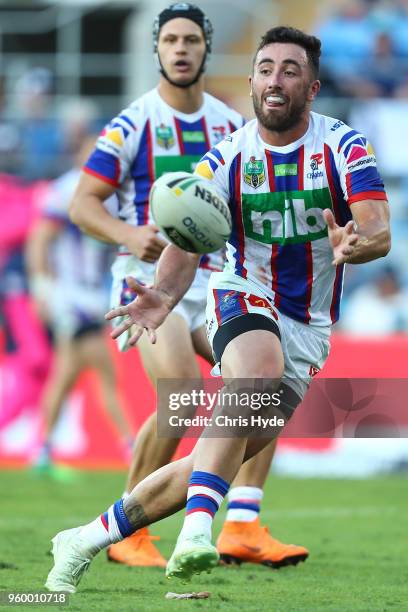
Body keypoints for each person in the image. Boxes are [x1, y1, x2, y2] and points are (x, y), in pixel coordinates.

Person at [44, 24, 391, 593]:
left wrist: (358, 243)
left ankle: (87, 537)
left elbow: (378, 228)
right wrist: (163, 294)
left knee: (212, 453)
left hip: (310, 322)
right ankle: (198, 532)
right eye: (265, 69)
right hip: (242, 294)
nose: (275, 80)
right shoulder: (225, 156)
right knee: (249, 373)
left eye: (290, 70)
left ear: (312, 87)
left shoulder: (344, 147)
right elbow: (185, 238)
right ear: (251, 80)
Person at [69, 3, 307, 569]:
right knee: (181, 395)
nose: (181, 49)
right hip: (148, 284)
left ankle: (242, 525)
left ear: (206, 49)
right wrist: (130, 232)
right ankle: (126, 530)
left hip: (215, 281)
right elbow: (82, 204)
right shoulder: (132, 123)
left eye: (192, 41)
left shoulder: (229, 124)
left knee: (260, 386)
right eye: (171, 40)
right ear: (157, 48)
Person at [26, 135, 134, 474]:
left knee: (67, 374)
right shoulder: (67, 188)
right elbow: (40, 238)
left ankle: (42, 449)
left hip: (92, 293)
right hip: (70, 295)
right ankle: (130, 443)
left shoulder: (111, 193)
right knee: (100, 370)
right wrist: (42, 288)